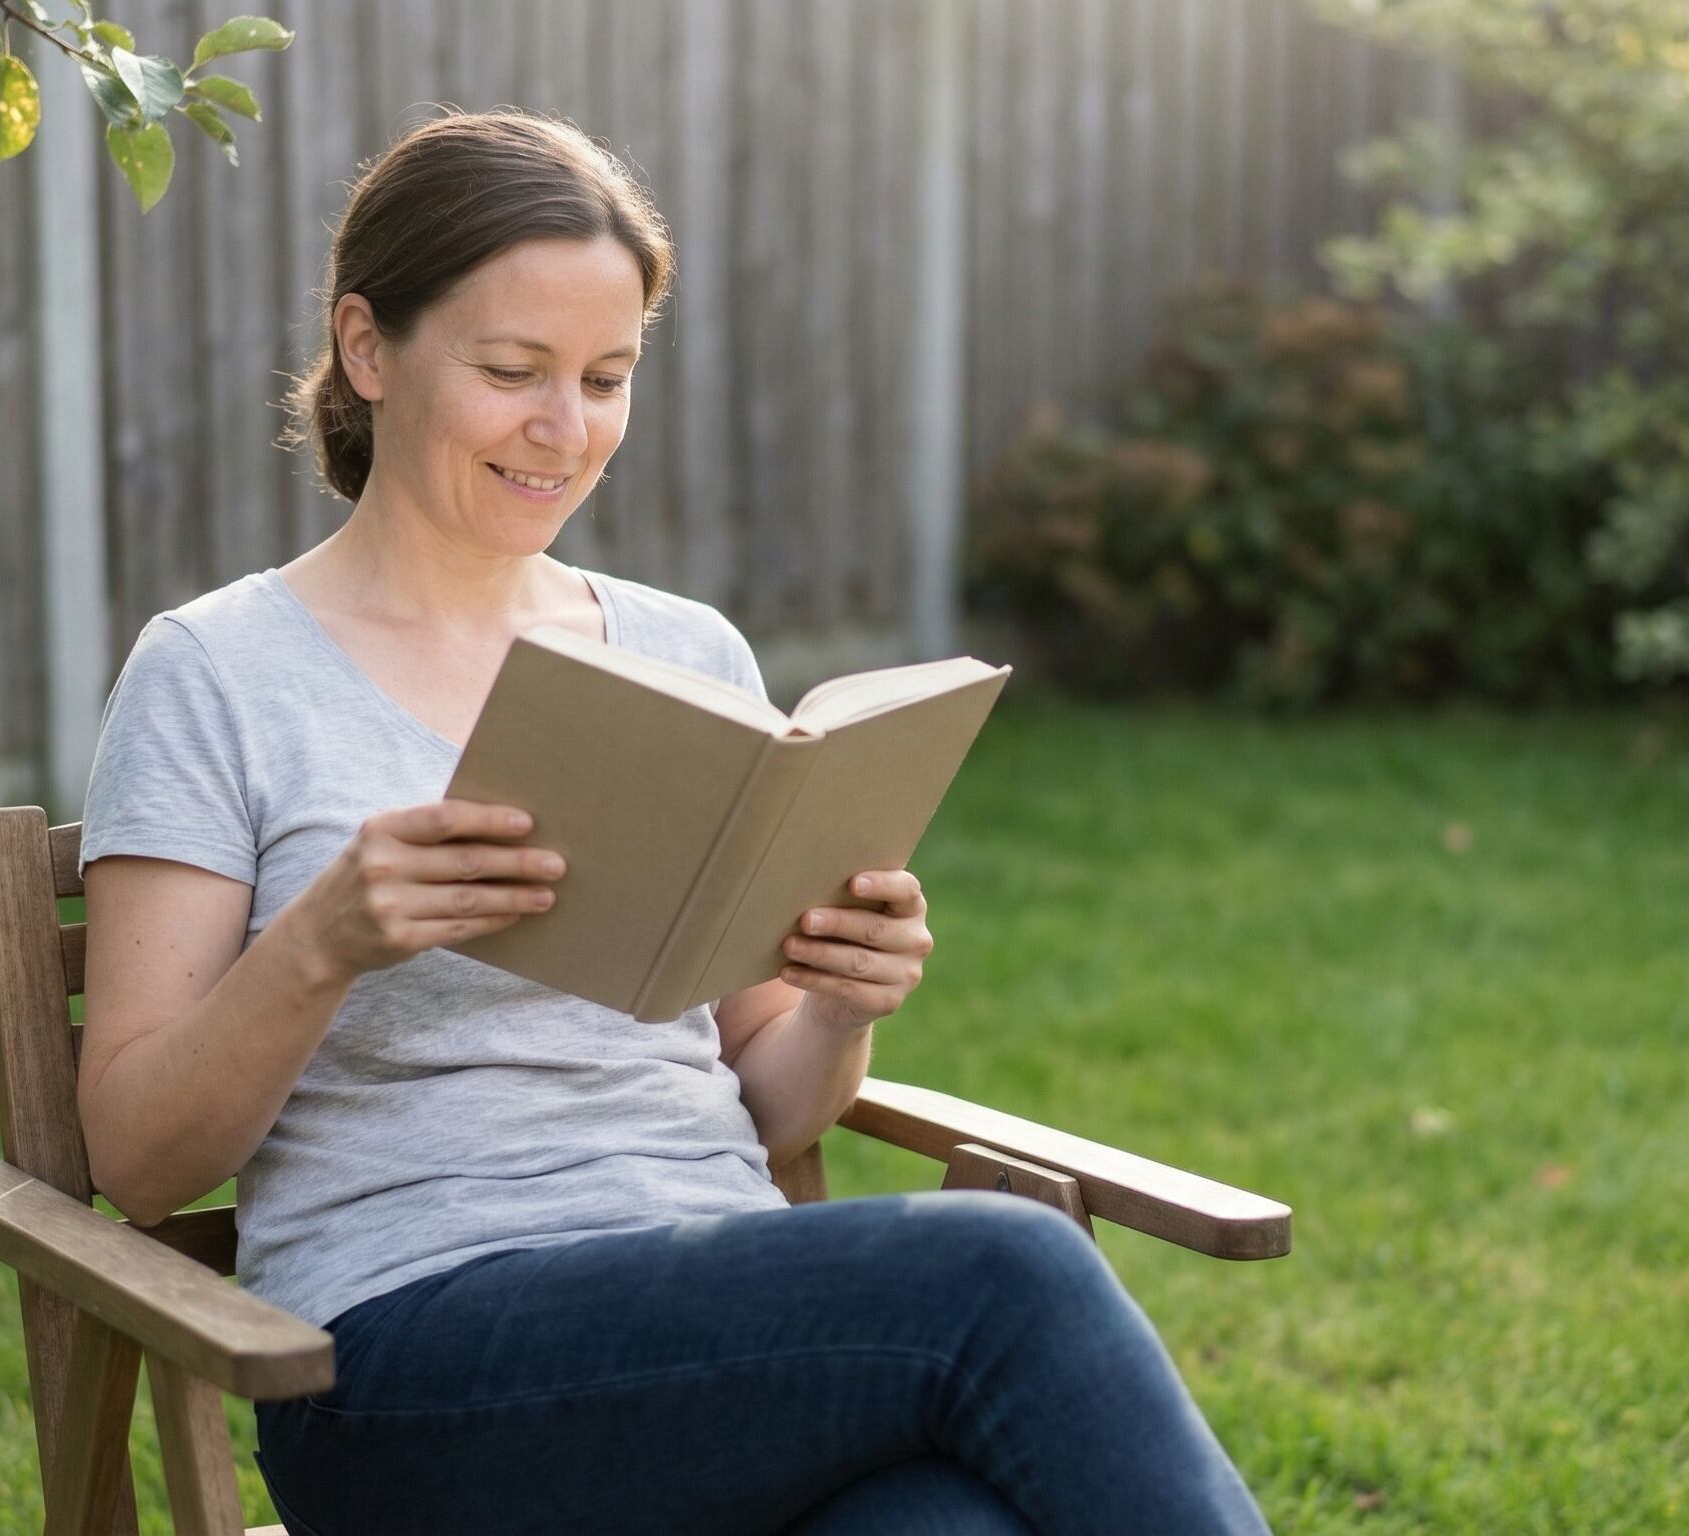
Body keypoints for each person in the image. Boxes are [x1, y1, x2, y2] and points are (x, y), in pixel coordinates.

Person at [74, 107, 1269, 1535]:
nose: (564, 431)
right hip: (404, 1368)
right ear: (367, 347)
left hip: (711, 1329)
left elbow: (769, 1104)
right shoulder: (218, 672)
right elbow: (136, 1159)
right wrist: (322, 941)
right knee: (1007, 1273)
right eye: (513, 372)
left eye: (606, 377)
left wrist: (837, 1006)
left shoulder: (683, 654)